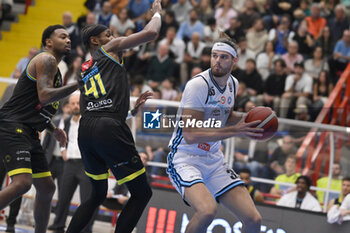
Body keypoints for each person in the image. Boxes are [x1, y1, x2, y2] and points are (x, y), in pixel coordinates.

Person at [65, 1, 162, 233]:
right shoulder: (111, 48)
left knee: (97, 193)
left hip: (86, 130)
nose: (114, 36)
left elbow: (95, 106)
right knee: (142, 192)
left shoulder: (85, 67)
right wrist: (157, 14)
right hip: (108, 128)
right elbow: (150, 33)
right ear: (94, 41)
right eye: (108, 34)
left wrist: (129, 112)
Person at [167, 35, 263, 233]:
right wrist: (234, 130)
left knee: (254, 219)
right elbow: (191, 134)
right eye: (214, 56)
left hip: (213, 159)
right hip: (185, 157)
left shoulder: (232, 84)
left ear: (234, 61)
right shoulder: (198, 85)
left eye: (223, 57)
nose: (217, 61)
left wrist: (254, 118)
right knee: (207, 211)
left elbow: (225, 115)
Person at [0, 25, 78, 233]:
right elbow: (45, 96)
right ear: (48, 42)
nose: (68, 40)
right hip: (12, 126)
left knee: (46, 187)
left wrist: (53, 129)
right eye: (62, 37)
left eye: (69, 37)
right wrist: (80, 83)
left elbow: (37, 105)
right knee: (23, 182)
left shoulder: (57, 71)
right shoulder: (46, 59)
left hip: (29, 132)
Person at [48, 92, 95, 233]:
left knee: (86, 200)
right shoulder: (68, 121)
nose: (75, 106)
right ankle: (58, 226)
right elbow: (62, 138)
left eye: (77, 103)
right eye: (72, 103)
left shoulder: (91, 120)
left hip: (86, 164)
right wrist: (63, 149)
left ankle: (85, 229)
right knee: (63, 197)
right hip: (68, 164)